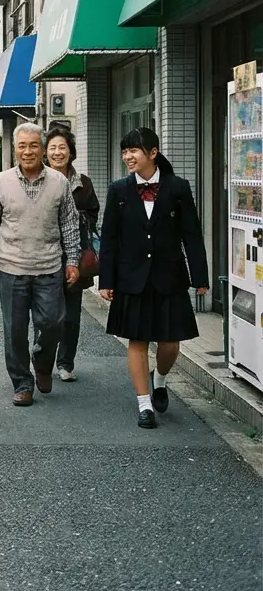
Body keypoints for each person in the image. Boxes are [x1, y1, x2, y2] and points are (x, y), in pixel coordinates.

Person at [98, 127, 209, 430]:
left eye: (133, 150)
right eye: (125, 151)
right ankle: (144, 404)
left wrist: (200, 277)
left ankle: (159, 378)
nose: (128, 157)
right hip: (131, 277)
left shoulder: (178, 187)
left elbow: (192, 236)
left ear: (152, 153)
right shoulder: (119, 190)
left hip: (169, 276)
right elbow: (109, 238)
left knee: (170, 343)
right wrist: (105, 280)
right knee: (136, 340)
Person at [0, 122, 81, 406]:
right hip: (12, 268)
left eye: (34, 145)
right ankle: (22, 382)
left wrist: (72, 261)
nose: (28, 151)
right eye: (22, 146)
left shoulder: (59, 183)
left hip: (49, 267)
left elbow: (70, 225)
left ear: (43, 148)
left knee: (52, 324)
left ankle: (43, 363)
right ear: (15, 149)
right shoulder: (1, 181)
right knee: (15, 330)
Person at [44, 125, 101, 382]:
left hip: (75, 256)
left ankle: (65, 362)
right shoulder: (39, 180)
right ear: (46, 152)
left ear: (71, 151)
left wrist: (75, 218)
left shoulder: (83, 183)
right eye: (53, 148)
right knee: (46, 315)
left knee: (72, 316)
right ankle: (43, 360)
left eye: (62, 147)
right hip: (44, 256)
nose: (58, 153)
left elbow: (93, 213)